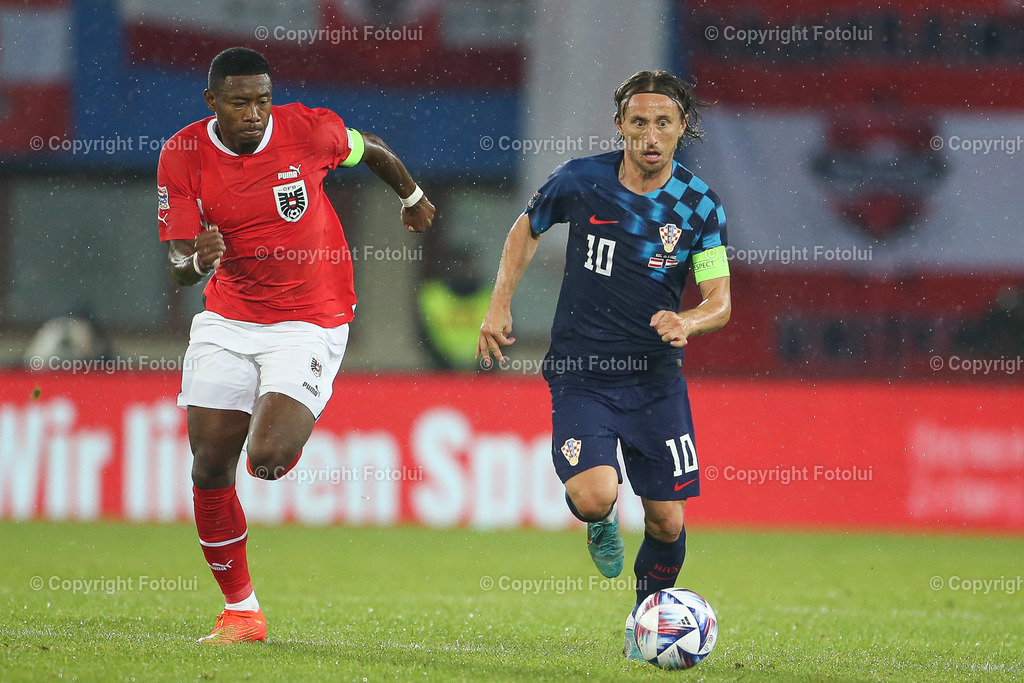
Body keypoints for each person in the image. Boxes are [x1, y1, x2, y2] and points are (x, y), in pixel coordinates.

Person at [157, 47, 434, 644]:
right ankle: (242, 611)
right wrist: (193, 263)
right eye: (239, 103)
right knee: (209, 466)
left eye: (262, 100)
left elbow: (375, 148)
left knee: (268, 461)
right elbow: (178, 262)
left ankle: (288, 407)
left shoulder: (308, 130)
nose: (254, 113)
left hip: (311, 317)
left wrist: (412, 200)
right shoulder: (182, 153)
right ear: (212, 103)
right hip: (228, 317)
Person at [477, 70, 730, 660]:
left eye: (663, 123)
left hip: (656, 380)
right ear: (620, 126)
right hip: (582, 371)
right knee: (596, 496)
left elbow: (718, 302)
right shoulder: (581, 180)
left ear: (682, 128)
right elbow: (526, 227)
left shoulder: (698, 204)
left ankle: (646, 623)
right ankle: (597, 522)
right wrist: (499, 303)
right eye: (638, 122)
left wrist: (687, 321)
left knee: (667, 522)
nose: (650, 135)